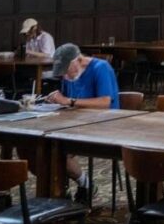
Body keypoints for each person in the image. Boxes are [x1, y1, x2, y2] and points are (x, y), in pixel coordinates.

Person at [45, 43, 120, 202]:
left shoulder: (101, 68)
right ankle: (65, 189)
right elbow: (67, 100)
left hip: (105, 124)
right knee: (40, 147)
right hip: (77, 123)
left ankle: (80, 186)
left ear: (78, 60)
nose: (66, 76)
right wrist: (56, 100)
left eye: (67, 71)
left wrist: (69, 101)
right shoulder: (70, 75)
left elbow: (105, 102)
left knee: (56, 149)